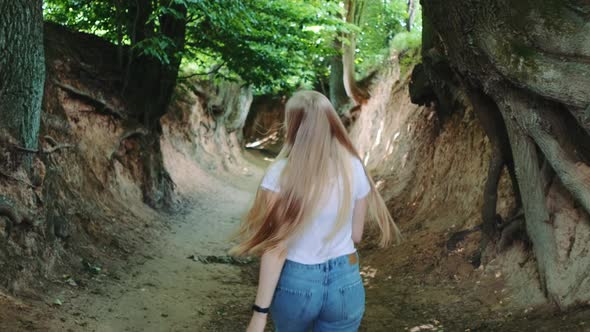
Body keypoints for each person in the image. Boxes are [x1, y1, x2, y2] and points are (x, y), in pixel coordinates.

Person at [230, 90, 401, 332]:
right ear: (331, 123)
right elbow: (356, 235)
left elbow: (276, 247)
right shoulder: (354, 167)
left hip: (298, 283)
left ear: (293, 125)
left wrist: (259, 314)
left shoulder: (280, 173)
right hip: (346, 282)